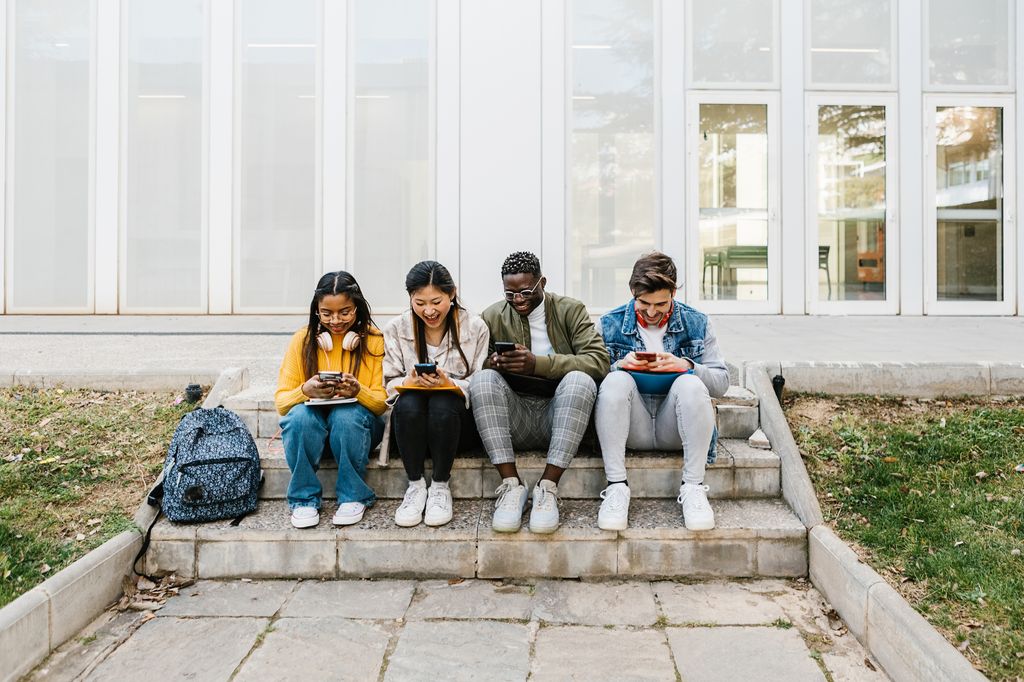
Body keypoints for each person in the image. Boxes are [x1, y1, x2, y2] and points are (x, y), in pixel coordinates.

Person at [470, 251, 608, 534]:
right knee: (482, 380)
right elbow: (475, 363)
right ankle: (511, 485)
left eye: (525, 291)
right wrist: (495, 363)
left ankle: (547, 487)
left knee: (580, 381)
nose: (518, 300)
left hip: (561, 417)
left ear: (542, 283)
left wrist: (538, 364)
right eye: (510, 294)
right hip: (514, 416)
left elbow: (599, 361)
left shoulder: (570, 310)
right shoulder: (493, 315)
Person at [595, 251, 729, 531]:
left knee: (690, 384)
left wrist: (687, 366)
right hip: (632, 425)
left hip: (677, 427)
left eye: (661, 304)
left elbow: (721, 383)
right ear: (632, 292)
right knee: (615, 381)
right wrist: (619, 365)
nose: (652, 312)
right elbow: (591, 380)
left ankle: (693, 487)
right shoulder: (609, 323)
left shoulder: (697, 322)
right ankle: (617, 486)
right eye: (644, 303)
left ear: (674, 293)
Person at [275, 271, 387, 529]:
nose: (335, 321)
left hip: (358, 431)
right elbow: (282, 403)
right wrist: (306, 391)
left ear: (357, 308)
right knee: (299, 416)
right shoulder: (302, 341)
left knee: (345, 415)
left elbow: (382, 403)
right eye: (327, 314)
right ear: (317, 311)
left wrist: (358, 391)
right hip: (313, 433)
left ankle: (353, 496)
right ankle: (303, 499)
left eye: (345, 312)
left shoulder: (373, 340)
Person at [383, 261, 489, 528]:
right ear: (410, 298)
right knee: (409, 400)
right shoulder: (396, 329)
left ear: (452, 293)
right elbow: (387, 384)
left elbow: (483, 380)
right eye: (419, 303)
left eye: (436, 301)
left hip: (456, 426)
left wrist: (450, 384)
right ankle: (416, 486)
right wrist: (410, 381)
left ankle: (440, 486)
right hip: (410, 425)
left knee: (443, 399)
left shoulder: (476, 327)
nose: (429, 311)